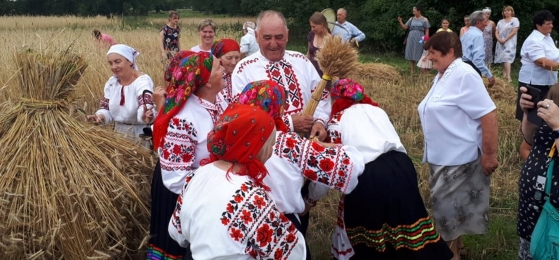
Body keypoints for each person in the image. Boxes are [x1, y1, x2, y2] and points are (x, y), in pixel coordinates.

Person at [325, 78, 453, 260]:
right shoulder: (377, 111)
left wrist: (312, 196)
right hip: (402, 166)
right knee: (405, 218)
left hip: (368, 174)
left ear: (336, 99)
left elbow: (333, 164)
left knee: (370, 226)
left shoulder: (337, 121)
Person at [237, 80, 365, 259]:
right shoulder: (287, 143)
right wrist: (331, 147)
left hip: (242, 225)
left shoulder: (232, 138)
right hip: (281, 227)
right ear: (278, 108)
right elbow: (349, 168)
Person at [168, 104, 307, 259]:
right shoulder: (251, 197)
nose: (271, 151)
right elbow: (292, 253)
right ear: (254, 148)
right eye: (270, 145)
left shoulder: (197, 175)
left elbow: (176, 232)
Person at [418, 31, 499, 260]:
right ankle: (459, 248)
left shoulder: (463, 74)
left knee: (445, 214)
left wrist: (489, 154)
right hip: (442, 157)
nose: (429, 56)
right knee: (451, 209)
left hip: (458, 158)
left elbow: (488, 113)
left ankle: (450, 255)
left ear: (450, 51)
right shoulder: (443, 74)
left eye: (433, 52)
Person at [147, 51, 227, 260]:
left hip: (203, 192)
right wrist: (212, 189)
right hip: (182, 196)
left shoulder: (217, 102)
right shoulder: (183, 120)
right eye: (219, 67)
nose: (224, 70)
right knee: (175, 248)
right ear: (206, 83)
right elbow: (175, 179)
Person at [231, 10, 330, 140]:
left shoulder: (301, 60)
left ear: (287, 35)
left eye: (279, 37)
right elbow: (243, 116)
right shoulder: (244, 69)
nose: (273, 44)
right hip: (269, 151)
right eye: (267, 38)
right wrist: (288, 123)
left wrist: (319, 121)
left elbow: (321, 95)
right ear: (256, 36)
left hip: (309, 142)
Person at [517, 83, 559, 260]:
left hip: (555, 210)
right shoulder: (556, 93)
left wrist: (558, 127)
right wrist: (528, 114)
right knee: (530, 249)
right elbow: (530, 140)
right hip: (532, 206)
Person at [87, 44, 155, 147]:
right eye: (110, 63)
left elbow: (145, 106)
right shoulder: (112, 83)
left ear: (130, 61)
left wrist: (146, 115)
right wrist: (100, 117)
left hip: (140, 135)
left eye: (117, 62)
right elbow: (106, 109)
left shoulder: (142, 81)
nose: (114, 67)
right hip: (119, 135)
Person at [516, 10, 559, 160]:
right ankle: (529, 146)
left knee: (545, 112)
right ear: (538, 25)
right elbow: (540, 61)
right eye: (548, 24)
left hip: (547, 81)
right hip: (534, 81)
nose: (551, 26)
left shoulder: (547, 37)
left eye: (551, 23)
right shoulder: (534, 40)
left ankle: (544, 142)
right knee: (532, 113)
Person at [460, 10, 496, 87]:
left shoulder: (465, 34)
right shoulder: (478, 36)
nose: (486, 24)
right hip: (472, 68)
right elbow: (477, 60)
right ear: (478, 22)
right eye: (485, 21)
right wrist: (489, 75)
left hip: (462, 67)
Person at [398, 5, 430, 74]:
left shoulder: (425, 19)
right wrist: (400, 21)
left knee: (420, 52)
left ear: (419, 11)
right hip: (411, 37)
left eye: (414, 11)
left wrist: (426, 40)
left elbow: (427, 30)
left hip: (420, 37)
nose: (413, 12)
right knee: (411, 51)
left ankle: (421, 69)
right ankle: (412, 70)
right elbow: (405, 27)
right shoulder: (411, 19)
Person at [494, 5, 520, 82]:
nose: (506, 12)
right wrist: (499, 39)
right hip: (500, 43)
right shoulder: (500, 21)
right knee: (502, 58)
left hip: (509, 42)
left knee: (507, 57)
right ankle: (504, 75)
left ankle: (509, 77)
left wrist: (505, 39)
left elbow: (514, 31)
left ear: (512, 12)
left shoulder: (515, 20)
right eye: (505, 11)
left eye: (508, 10)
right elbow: (496, 31)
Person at [211, 38, 241, 103]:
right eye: (229, 58)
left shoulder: (242, 74)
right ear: (218, 58)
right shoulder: (212, 78)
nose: (234, 62)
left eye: (237, 57)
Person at [307, 12, 332, 76]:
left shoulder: (332, 40)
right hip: (311, 75)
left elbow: (333, 64)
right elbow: (309, 54)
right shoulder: (311, 35)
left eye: (314, 27)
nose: (312, 29)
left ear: (321, 24)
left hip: (324, 78)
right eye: (311, 27)